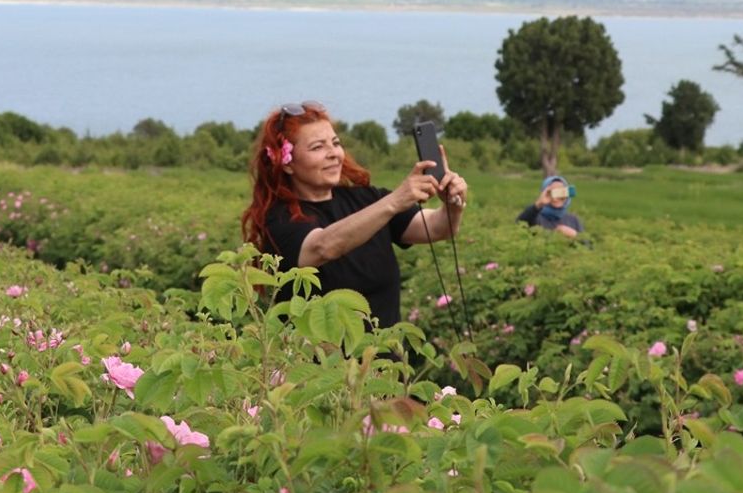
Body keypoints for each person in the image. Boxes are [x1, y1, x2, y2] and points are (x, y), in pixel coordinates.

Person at [241, 101, 468, 330]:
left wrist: (452, 205)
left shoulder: (366, 199)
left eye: (336, 143)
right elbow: (323, 246)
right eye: (317, 147)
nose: (333, 154)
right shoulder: (279, 219)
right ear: (287, 163)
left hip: (386, 363)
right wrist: (395, 201)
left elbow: (438, 228)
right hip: (317, 363)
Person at [517, 175, 583, 238]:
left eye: (562, 192)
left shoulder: (573, 220)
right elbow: (521, 223)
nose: (558, 196)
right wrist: (539, 203)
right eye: (553, 192)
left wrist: (575, 236)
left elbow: (588, 246)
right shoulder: (536, 217)